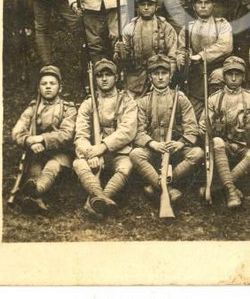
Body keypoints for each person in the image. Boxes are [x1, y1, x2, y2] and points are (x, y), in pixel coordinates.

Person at [129, 54, 205, 208]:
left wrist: (180, 144)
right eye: (156, 74)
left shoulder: (180, 98)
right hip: (154, 151)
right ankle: (168, 189)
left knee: (198, 153)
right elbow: (138, 131)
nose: (160, 77)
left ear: (170, 76)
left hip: (175, 151)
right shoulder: (143, 102)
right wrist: (153, 144)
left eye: (164, 73)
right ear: (150, 77)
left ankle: (157, 184)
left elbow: (191, 127)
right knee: (135, 154)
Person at [72, 58, 138, 218]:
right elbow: (80, 134)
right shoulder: (88, 103)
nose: (104, 79)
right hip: (93, 153)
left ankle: (100, 198)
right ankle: (101, 198)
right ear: (95, 79)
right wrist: (90, 152)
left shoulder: (127, 102)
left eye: (108, 74)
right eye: (99, 75)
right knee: (78, 163)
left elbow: (127, 131)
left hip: (118, 152)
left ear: (116, 77)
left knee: (127, 165)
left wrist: (103, 147)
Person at [10, 65, 77, 212]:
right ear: (39, 88)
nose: (48, 87)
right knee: (34, 171)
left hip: (60, 154)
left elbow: (66, 135)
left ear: (60, 88)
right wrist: (29, 141)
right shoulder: (33, 109)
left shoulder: (68, 109)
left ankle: (35, 192)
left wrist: (40, 139)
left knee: (52, 167)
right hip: (36, 153)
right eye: (44, 83)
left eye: (52, 83)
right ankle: (35, 199)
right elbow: (17, 131)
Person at [199, 56, 250, 209]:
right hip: (223, 148)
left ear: (243, 77)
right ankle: (231, 192)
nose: (234, 78)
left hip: (244, 146)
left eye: (238, 74)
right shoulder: (214, 99)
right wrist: (203, 129)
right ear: (224, 76)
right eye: (230, 74)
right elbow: (203, 126)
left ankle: (217, 187)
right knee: (217, 141)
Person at [176, 0, 234, 116]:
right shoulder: (188, 27)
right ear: (194, 6)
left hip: (217, 69)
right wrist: (182, 59)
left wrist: (201, 55)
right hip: (196, 75)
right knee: (195, 115)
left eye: (207, 2)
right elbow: (181, 50)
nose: (203, 6)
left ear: (213, 5)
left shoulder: (222, 25)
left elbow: (225, 46)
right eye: (199, 3)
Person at [117, 0, 179, 99]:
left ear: (156, 7)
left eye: (150, 4)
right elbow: (123, 59)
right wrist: (120, 53)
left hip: (159, 75)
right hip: (136, 78)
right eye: (142, 4)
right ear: (137, 7)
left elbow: (173, 55)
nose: (146, 7)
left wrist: (167, 76)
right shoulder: (129, 28)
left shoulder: (166, 28)